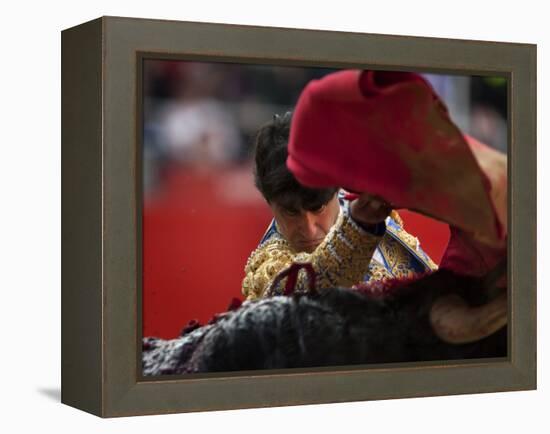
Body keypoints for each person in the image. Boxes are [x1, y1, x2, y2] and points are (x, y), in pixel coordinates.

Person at [241, 112, 437, 301]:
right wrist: (360, 225)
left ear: (337, 187)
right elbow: (312, 285)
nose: (309, 230)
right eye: (292, 213)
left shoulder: (358, 203)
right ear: (268, 202)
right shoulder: (269, 269)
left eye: (318, 208)